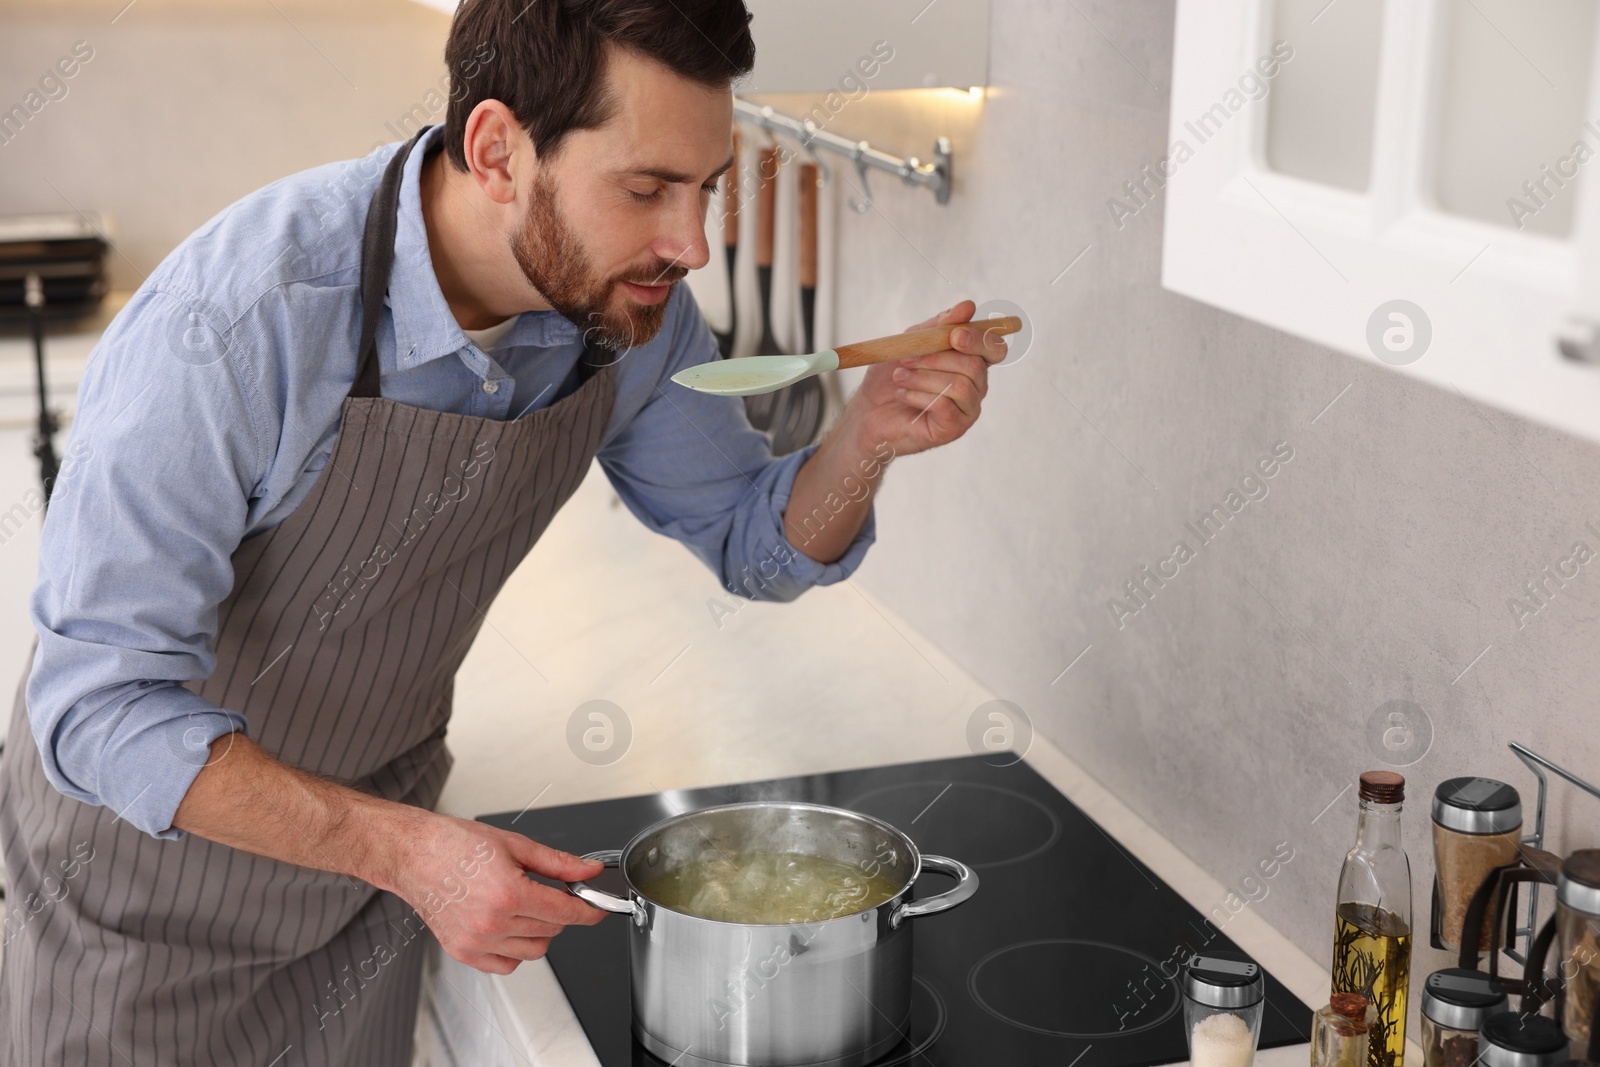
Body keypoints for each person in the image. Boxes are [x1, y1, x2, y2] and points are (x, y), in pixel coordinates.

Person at [0, 0, 1008, 1063]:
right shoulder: (241, 322)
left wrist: (866, 438)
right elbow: (94, 707)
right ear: (496, 152)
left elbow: (749, 544)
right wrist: (406, 851)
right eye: (646, 188)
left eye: (704, 188)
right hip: (139, 910)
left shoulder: (628, 314)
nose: (691, 243)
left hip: (365, 897)